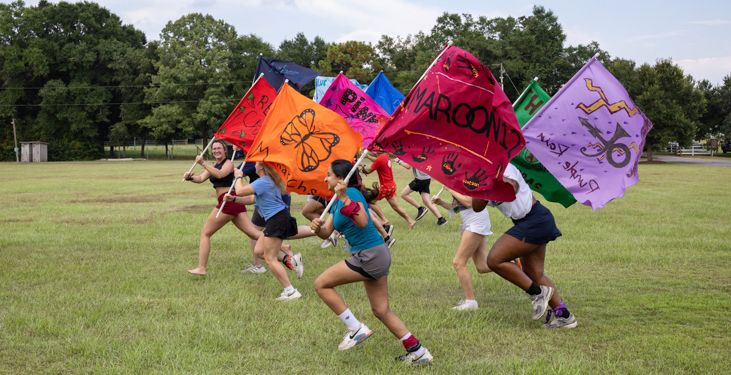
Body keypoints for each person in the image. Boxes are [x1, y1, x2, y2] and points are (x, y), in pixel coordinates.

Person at [309, 159, 433, 365]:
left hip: (369, 255)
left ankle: (355, 328)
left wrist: (344, 197)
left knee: (321, 284)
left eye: (329, 174)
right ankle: (419, 352)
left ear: (341, 179)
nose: (325, 177)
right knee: (381, 310)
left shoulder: (352, 195)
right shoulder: (335, 201)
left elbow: (364, 221)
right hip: (374, 255)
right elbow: (326, 233)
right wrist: (316, 228)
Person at [472, 164, 577, 328]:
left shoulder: (504, 166)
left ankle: (537, 293)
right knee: (534, 274)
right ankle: (565, 316)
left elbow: (512, 188)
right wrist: (478, 185)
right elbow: (477, 207)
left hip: (535, 218)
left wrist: (490, 177)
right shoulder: (478, 176)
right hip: (530, 221)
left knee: (494, 260)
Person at [183, 140, 273, 276]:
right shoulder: (213, 165)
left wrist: (202, 163)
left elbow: (219, 175)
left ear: (225, 150)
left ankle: (201, 268)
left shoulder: (229, 164)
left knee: (205, 233)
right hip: (232, 202)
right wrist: (190, 178)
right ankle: (286, 252)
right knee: (255, 234)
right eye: (214, 149)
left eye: (219, 148)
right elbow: (201, 178)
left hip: (228, 201)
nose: (216, 151)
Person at [224, 162, 311, 301]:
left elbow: (240, 190)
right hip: (276, 219)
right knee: (259, 251)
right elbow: (252, 199)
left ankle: (290, 291)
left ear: (262, 167)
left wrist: (238, 177)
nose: (254, 166)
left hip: (277, 220)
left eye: (257, 164)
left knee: (270, 259)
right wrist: (234, 199)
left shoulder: (264, 181)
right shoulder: (267, 181)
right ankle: (292, 261)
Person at [432, 188, 493, 310]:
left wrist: (450, 189)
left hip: (476, 222)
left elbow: (469, 202)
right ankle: (516, 264)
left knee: (458, 262)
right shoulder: (456, 183)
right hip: (473, 222)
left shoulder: (467, 181)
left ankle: (471, 302)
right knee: (482, 266)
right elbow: (457, 208)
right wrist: (440, 202)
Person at [361, 152, 416, 229]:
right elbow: (377, 161)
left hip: (385, 187)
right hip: (391, 186)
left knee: (370, 201)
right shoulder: (385, 156)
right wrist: (368, 156)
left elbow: (369, 170)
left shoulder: (380, 159)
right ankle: (410, 221)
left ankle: (383, 219)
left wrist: (362, 164)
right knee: (395, 206)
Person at [395, 158, 447, 226]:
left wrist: (399, 161)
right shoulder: (421, 152)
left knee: (403, 194)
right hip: (426, 178)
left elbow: (408, 166)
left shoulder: (414, 154)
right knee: (427, 201)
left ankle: (421, 209)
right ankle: (441, 219)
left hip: (420, 179)